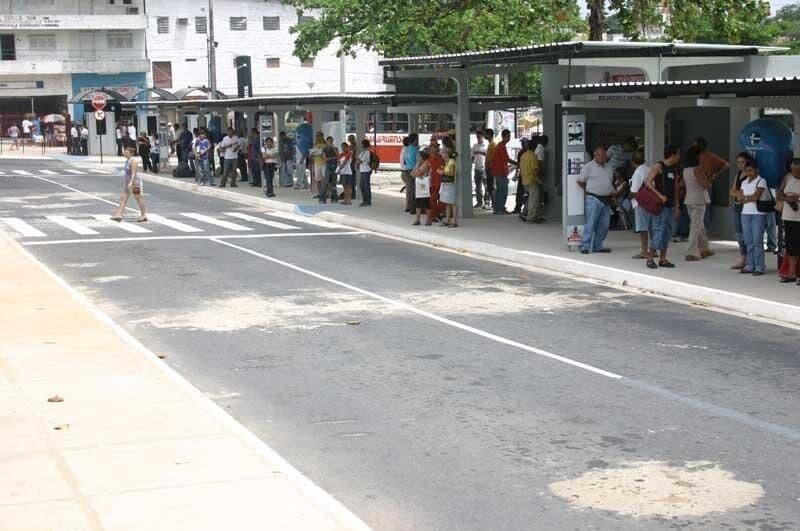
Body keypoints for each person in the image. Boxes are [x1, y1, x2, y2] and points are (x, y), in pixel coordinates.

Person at [643, 145, 681, 269]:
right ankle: (650, 257)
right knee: (659, 230)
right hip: (661, 205)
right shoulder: (659, 166)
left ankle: (663, 258)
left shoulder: (674, 169)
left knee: (667, 232)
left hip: (670, 205)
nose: (679, 157)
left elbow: (675, 188)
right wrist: (659, 195)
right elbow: (647, 182)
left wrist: (677, 206)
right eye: (678, 154)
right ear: (672, 154)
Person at [577, 146, 616, 254]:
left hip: (606, 199)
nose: (603, 157)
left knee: (604, 225)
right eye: (600, 155)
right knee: (590, 224)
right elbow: (580, 181)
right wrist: (589, 190)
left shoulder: (609, 167)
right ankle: (585, 246)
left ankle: (598, 246)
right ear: (595, 156)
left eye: (604, 155)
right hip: (593, 198)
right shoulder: (588, 167)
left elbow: (610, 181)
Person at [736, 159, 769, 275]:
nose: (748, 173)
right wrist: (746, 198)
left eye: (750, 171)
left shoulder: (761, 181)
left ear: (756, 170)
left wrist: (745, 198)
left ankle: (759, 266)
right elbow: (739, 198)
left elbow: (756, 197)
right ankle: (750, 265)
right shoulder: (744, 182)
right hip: (745, 214)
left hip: (758, 214)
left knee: (757, 241)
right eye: (746, 171)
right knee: (748, 241)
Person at [682, 146, 714, 262]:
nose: (702, 157)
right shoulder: (697, 169)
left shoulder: (685, 170)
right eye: (701, 155)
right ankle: (691, 252)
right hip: (699, 200)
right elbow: (705, 185)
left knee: (699, 225)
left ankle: (705, 248)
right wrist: (709, 179)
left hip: (689, 199)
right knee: (696, 226)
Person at [777, 158, 800, 283]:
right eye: (793, 169)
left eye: (797, 171)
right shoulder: (788, 177)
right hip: (788, 216)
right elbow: (779, 194)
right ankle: (791, 273)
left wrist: (797, 198)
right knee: (791, 246)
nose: (795, 173)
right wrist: (788, 199)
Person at [111, 147, 147, 223]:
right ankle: (119, 214)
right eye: (124, 152)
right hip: (128, 183)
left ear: (131, 153)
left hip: (135, 183)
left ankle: (143, 215)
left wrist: (131, 182)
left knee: (138, 198)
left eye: (127, 153)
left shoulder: (133, 161)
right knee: (123, 198)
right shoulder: (127, 161)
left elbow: (134, 173)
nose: (125, 154)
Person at [729, 152, 752, 270]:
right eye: (738, 162)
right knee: (739, 234)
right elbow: (732, 191)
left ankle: (749, 259)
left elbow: (748, 193)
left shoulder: (750, 174)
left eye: (742, 162)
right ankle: (743, 257)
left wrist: (738, 194)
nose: (740, 164)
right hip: (737, 206)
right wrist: (738, 194)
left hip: (746, 207)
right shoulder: (738, 174)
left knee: (747, 234)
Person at [629, 151, 651, 259]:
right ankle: (653, 250)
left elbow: (634, 191)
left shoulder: (638, 172)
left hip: (640, 203)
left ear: (632, 162)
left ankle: (644, 251)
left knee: (643, 229)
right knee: (651, 228)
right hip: (649, 201)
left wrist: (627, 197)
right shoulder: (648, 169)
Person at [491, 129, 513, 215]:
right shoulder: (501, 146)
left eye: (509, 136)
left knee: (500, 191)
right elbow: (506, 159)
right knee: (502, 191)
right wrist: (517, 163)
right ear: (503, 137)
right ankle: (499, 208)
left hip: (499, 171)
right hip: (500, 172)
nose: (509, 138)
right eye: (508, 136)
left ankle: (498, 208)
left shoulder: (500, 146)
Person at [520, 139, 543, 223]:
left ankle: (524, 213)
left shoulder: (523, 155)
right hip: (532, 180)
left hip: (525, 180)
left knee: (530, 199)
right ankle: (531, 217)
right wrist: (538, 179)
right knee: (534, 200)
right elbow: (535, 169)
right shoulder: (533, 156)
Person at [412, 149, 432, 226]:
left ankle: (428, 219)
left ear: (422, 157)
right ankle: (418, 219)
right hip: (420, 186)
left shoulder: (426, 164)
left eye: (418, 156)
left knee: (425, 203)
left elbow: (417, 173)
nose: (417, 158)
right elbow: (412, 174)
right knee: (418, 203)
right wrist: (417, 168)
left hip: (424, 186)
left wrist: (417, 167)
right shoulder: (420, 164)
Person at [428, 139, 445, 221]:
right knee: (432, 200)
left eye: (437, 146)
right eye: (434, 146)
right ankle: (433, 215)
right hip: (432, 182)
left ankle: (435, 214)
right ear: (430, 148)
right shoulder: (428, 159)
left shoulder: (441, 157)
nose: (436, 148)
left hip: (440, 182)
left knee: (441, 201)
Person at [441, 149, 458, 227]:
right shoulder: (445, 162)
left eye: (443, 152)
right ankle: (447, 219)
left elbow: (451, 173)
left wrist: (442, 172)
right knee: (447, 203)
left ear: (447, 154)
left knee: (452, 203)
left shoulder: (451, 161)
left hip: (451, 184)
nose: (441, 154)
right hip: (445, 183)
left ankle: (454, 221)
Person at [294, 118, 313, 190]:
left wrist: (303, 156)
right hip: (301, 152)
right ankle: (305, 183)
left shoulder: (302, 132)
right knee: (300, 168)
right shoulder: (306, 131)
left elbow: (306, 146)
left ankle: (299, 184)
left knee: (300, 168)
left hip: (301, 154)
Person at [403, 134, 419, 213]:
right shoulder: (416, 149)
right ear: (414, 140)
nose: (417, 141)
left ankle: (410, 207)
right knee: (415, 190)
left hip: (408, 170)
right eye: (416, 139)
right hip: (415, 170)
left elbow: (405, 161)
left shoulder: (407, 149)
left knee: (410, 190)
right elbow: (418, 161)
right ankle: (414, 208)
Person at [472, 131, 488, 208]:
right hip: (477, 168)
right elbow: (471, 156)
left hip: (484, 169)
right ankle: (479, 202)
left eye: (479, 136)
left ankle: (487, 202)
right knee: (478, 187)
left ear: (482, 136)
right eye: (477, 136)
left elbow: (488, 155)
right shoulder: (474, 146)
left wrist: (480, 152)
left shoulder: (486, 145)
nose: (478, 138)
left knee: (486, 186)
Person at [310, 132, 326, 198]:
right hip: (317, 163)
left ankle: (325, 192)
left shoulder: (325, 145)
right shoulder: (315, 145)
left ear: (322, 137)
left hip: (324, 163)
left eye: (318, 136)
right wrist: (311, 155)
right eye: (316, 136)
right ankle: (320, 193)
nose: (317, 137)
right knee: (317, 179)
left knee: (325, 178)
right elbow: (312, 155)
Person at [358, 139, 374, 207]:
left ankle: (367, 201)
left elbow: (367, 161)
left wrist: (360, 161)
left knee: (365, 186)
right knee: (362, 185)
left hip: (366, 170)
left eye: (362, 144)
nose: (361, 145)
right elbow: (359, 159)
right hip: (362, 170)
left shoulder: (367, 152)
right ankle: (365, 200)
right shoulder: (363, 152)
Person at [484, 128, 496, 210]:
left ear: (488, 135)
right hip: (489, 168)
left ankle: (495, 204)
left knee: (491, 187)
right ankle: (494, 203)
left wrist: (490, 166)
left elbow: (493, 158)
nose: (484, 135)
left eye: (485, 134)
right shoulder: (490, 144)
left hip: (491, 169)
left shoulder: (493, 145)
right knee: (490, 187)